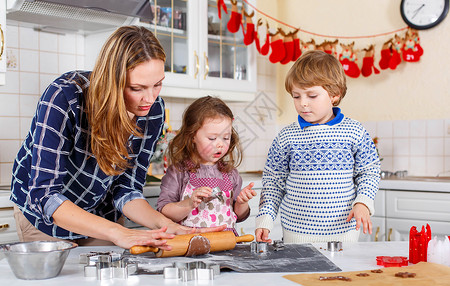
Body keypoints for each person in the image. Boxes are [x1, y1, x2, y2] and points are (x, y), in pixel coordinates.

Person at [10, 26, 224, 250]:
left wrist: (167, 225)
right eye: (136, 88)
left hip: (101, 215)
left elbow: (127, 189)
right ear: (112, 81)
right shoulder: (63, 97)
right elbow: (46, 196)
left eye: (157, 85)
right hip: (43, 219)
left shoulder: (153, 111)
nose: (150, 99)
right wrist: (117, 232)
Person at [255, 50, 380, 244]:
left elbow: (370, 172)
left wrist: (363, 201)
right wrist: (265, 218)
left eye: (312, 96)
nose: (303, 104)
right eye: (296, 96)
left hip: (344, 235)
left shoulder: (354, 131)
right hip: (296, 236)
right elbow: (272, 182)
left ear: (334, 95)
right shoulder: (286, 137)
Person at [157, 96, 257, 234]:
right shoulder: (179, 172)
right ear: (192, 136)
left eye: (226, 137)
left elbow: (238, 216)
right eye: (212, 138)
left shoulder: (231, 173)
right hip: (192, 244)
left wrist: (242, 203)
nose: (220, 144)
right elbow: (164, 211)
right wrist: (189, 204)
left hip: (226, 245)